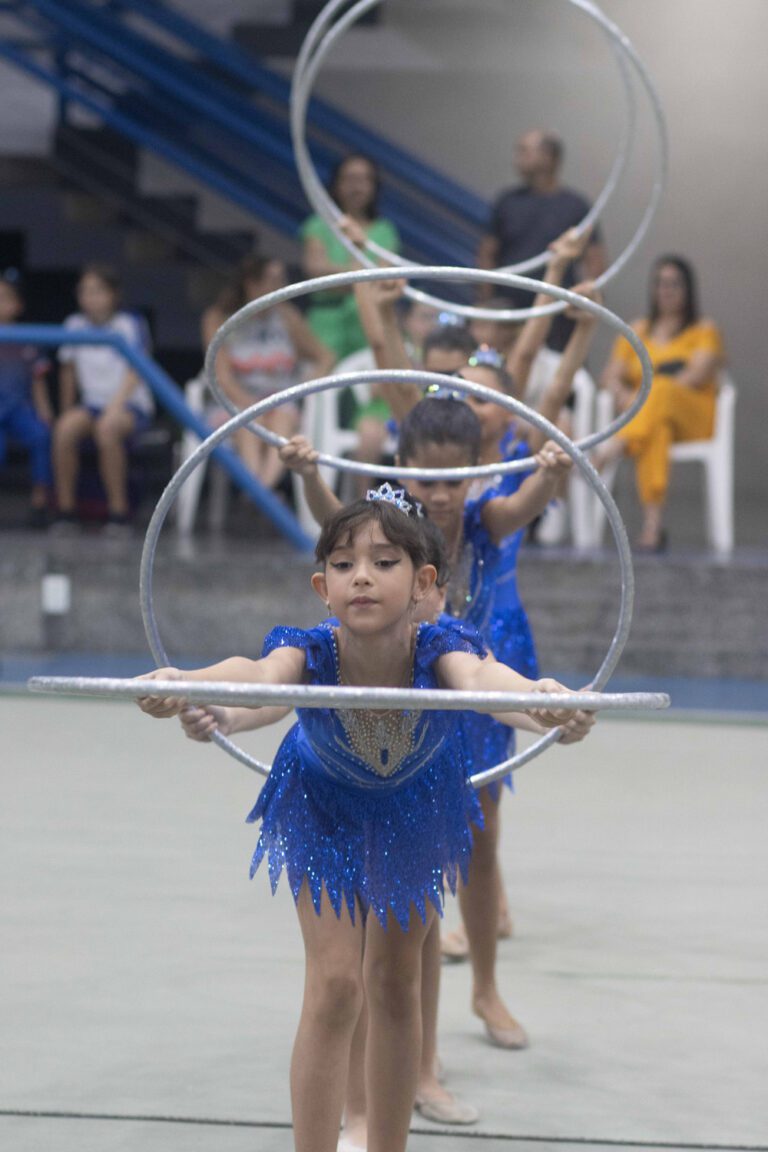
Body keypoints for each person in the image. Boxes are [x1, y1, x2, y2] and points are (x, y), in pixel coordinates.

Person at [136, 489, 586, 1152]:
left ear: (424, 582)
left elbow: (489, 686)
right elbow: (259, 680)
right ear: (322, 586)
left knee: (396, 984)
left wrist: (544, 706)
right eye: (344, 566)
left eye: (383, 562)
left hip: (414, 810)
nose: (363, 577)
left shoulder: (441, 649)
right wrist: (200, 693)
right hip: (324, 808)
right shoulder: (311, 650)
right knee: (337, 983)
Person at [596, 256, 725, 551]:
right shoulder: (637, 330)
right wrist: (623, 394)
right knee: (657, 429)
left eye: (674, 284)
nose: (666, 291)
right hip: (652, 419)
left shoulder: (704, 330)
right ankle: (652, 528)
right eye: (660, 284)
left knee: (663, 388)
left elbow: (695, 375)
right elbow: (609, 376)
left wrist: (644, 398)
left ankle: (615, 446)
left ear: (688, 289)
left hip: (692, 416)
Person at [201, 255, 334, 491]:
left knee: (283, 418)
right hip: (235, 403)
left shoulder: (287, 316)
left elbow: (325, 356)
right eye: (274, 280)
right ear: (251, 284)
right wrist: (252, 406)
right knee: (249, 422)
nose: (281, 287)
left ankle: (261, 492)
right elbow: (221, 376)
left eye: (282, 280)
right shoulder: (219, 319)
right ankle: (262, 495)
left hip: (280, 401)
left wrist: (304, 386)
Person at [477, 129, 606, 349]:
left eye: (525, 151)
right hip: (509, 311)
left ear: (549, 157)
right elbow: (487, 254)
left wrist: (585, 300)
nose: (517, 159)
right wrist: (485, 303)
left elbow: (595, 260)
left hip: (557, 313)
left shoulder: (574, 205)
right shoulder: (508, 202)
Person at [51, 264, 154, 535]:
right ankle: (66, 511)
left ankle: (118, 513)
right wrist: (66, 410)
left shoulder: (129, 324)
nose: (91, 298)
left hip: (130, 405)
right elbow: (68, 372)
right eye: (85, 291)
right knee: (64, 430)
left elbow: (136, 371)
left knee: (107, 430)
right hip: (91, 405)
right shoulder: (73, 324)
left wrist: (114, 407)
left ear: (113, 295)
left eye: (98, 291)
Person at [301, 155, 400, 365]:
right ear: (337, 183)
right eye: (351, 179)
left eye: (364, 180)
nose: (357, 187)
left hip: (368, 323)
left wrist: (342, 276)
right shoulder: (318, 224)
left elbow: (385, 280)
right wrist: (363, 276)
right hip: (325, 324)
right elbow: (316, 270)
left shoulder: (385, 230)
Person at [0, 270, 53, 527]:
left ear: (18, 305)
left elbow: (38, 379)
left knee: (41, 435)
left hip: (19, 407)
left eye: (5, 298)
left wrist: (45, 412)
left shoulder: (29, 337)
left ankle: (40, 501)